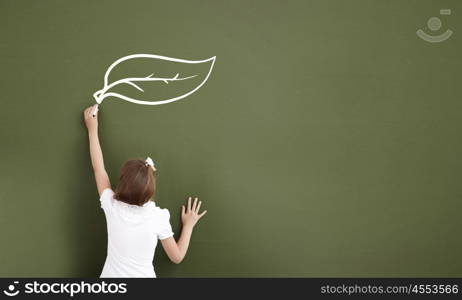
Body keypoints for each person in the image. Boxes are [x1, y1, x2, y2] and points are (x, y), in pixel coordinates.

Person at [83, 104, 207, 277]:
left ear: (122, 183)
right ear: (150, 190)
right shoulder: (158, 217)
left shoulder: (112, 205)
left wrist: (92, 130)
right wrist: (188, 225)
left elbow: (99, 169)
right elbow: (177, 257)